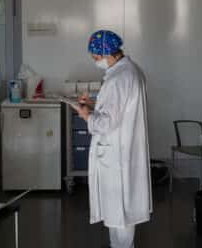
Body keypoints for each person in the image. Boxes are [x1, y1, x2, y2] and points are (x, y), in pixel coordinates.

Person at [73, 30, 152, 248]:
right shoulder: (131, 71)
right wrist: (93, 105)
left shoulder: (118, 79)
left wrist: (86, 114)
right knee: (122, 215)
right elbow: (119, 109)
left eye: (96, 57)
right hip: (125, 151)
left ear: (107, 52)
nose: (95, 61)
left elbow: (106, 123)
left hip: (117, 156)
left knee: (120, 215)